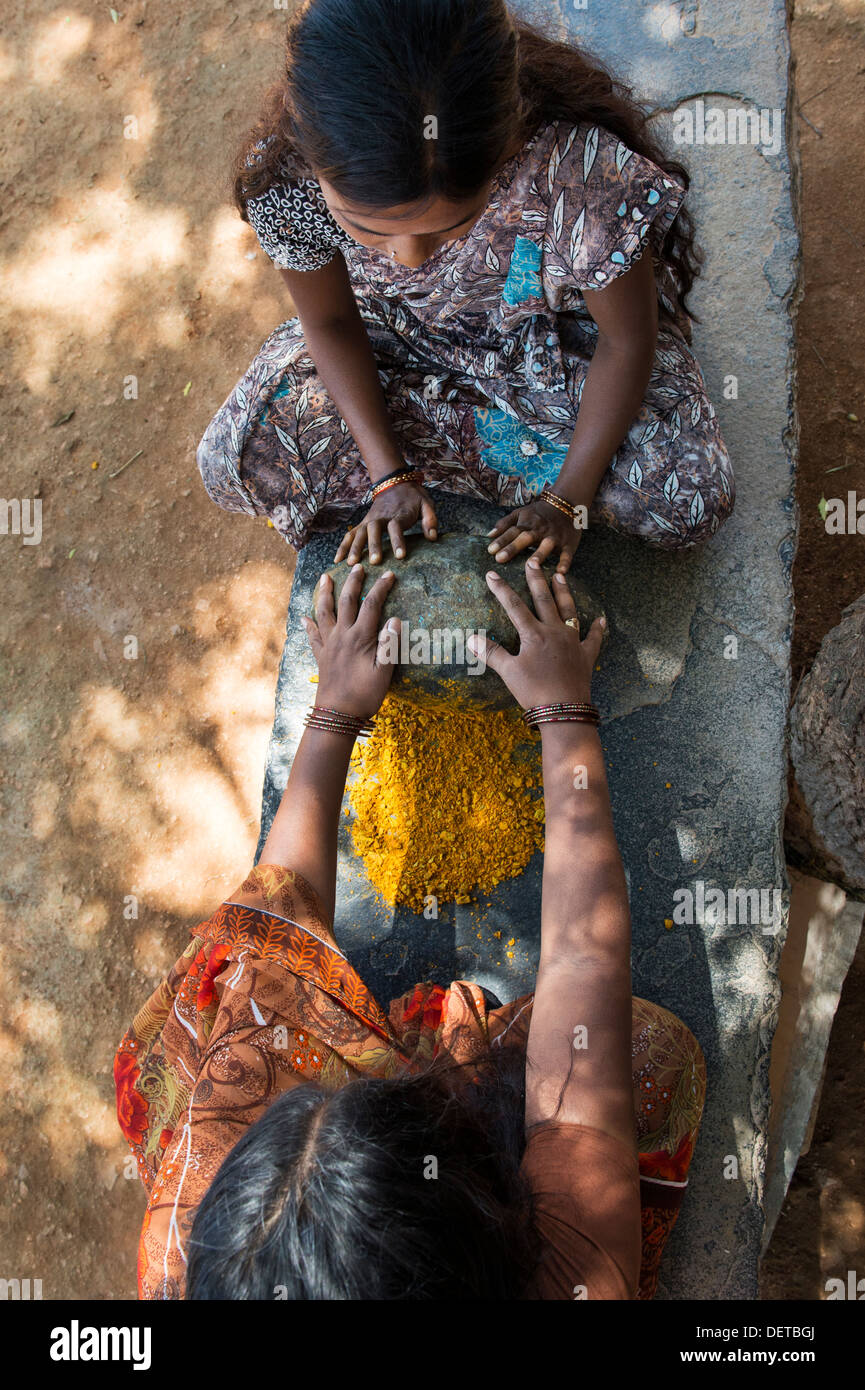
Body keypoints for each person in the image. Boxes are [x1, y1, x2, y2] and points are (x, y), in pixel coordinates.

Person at [114, 561, 706, 1299]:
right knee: (648, 1054)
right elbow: (583, 963)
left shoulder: (182, 1253)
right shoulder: (576, 1280)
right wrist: (562, 714)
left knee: (241, 984)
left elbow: (275, 915)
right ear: (487, 1222)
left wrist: (335, 711)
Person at [196, 0, 734, 573]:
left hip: (554, 351)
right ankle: (491, 455)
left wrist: (568, 499)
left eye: (450, 226)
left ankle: (494, 457)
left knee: (690, 496)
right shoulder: (288, 179)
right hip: (399, 343)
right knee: (233, 457)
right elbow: (329, 322)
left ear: (505, 146)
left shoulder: (578, 169)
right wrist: (388, 475)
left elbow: (625, 342)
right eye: (367, 228)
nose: (409, 256)